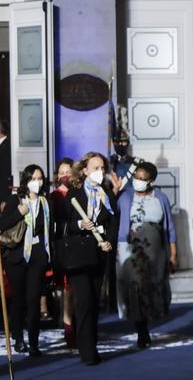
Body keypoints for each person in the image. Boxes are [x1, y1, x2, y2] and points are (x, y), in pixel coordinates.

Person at [60, 152, 119, 366]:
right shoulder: (73, 194)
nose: (99, 172)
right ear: (85, 170)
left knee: (93, 302)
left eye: (102, 168)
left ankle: (88, 340)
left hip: (99, 253)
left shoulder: (107, 195)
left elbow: (114, 221)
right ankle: (87, 351)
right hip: (78, 254)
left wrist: (109, 241)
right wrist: (79, 225)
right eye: (95, 168)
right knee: (83, 301)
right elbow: (64, 223)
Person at [116, 161, 177, 349]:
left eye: (143, 179)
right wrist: (114, 191)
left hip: (154, 253)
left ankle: (147, 323)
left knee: (149, 290)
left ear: (151, 181)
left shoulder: (160, 198)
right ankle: (141, 331)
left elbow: (169, 228)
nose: (139, 181)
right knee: (135, 290)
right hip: (129, 251)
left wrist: (173, 254)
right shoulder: (124, 197)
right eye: (137, 178)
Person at [0, 164, 52, 356]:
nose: (37, 183)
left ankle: (34, 343)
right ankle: (18, 338)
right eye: (33, 179)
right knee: (18, 299)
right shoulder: (16, 201)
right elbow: (1, 224)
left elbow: (49, 231)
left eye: (39, 179)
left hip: (37, 255)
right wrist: (18, 213)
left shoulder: (45, 203)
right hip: (17, 256)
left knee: (33, 300)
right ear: (26, 181)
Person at [50, 158, 76, 348]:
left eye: (68, 171)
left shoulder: (79, 193)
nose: (64, 174)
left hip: (78, 245)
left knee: (74, 290)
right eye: (61, 171)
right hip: (61, 245)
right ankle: (68, 329)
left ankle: (73, 323)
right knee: (65, 290)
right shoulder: (54, 196)